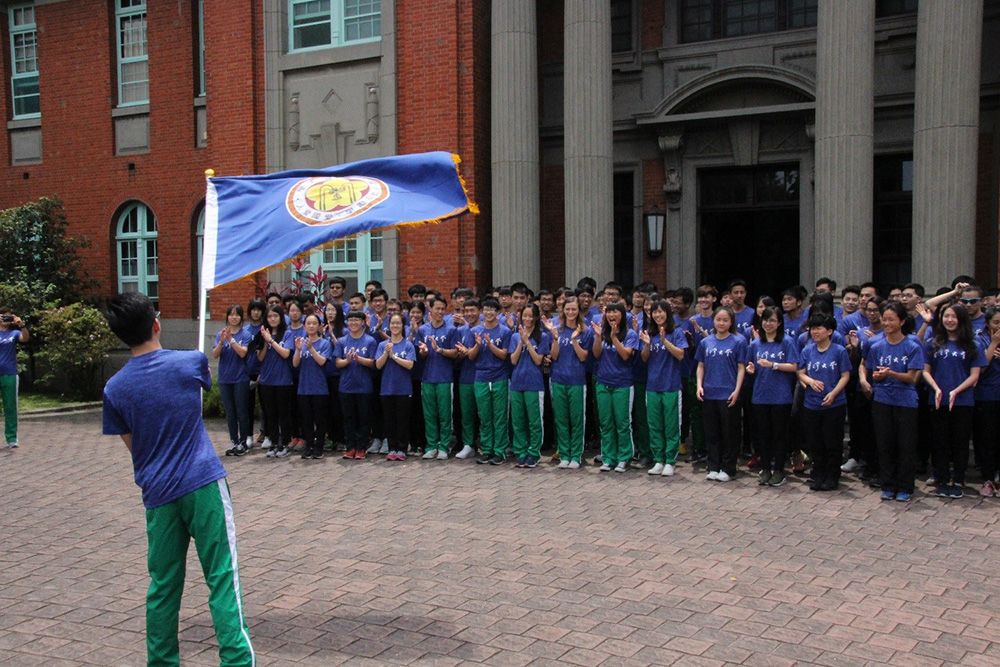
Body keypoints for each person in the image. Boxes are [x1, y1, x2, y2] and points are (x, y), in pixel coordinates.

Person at [101, 292, 255, 667]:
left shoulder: (114, 389)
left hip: (157, 492)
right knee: (222, 577)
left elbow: (134, 446)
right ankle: (236, 660)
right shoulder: (190, 362)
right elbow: (202, 385)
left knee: (163, 586)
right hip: (203, 483)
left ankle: (162, 661)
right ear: (156, 324)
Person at [860, 301, 924, 502]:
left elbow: (912, 377)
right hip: (882, 399)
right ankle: (887, 484)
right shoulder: (876, 346)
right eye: (884, 319)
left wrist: (891, 373)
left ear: (902, 321)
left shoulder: (912, 346)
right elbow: (870, 369)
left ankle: (905, 486)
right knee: (884, 443)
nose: (887, 323)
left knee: (905, 445)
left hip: (906, 401)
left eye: (891, 320)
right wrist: (874, 378)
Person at [922, 304, 985, 498]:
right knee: (939, 441)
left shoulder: (973, 344)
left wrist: (956, 391)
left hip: (963, 401)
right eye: (946, 316)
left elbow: (975, 375)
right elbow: (925, 371)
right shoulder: (933, 343)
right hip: (938, 400)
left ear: (961, 320)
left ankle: (958, 479)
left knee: (960, 441)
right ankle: (941, 479)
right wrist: (936, 388)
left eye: (954, 317)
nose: (949, 320)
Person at [797, 314, 852, 491]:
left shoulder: (839, 351)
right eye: (813, 328)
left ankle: (832, 475)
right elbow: (800, 372)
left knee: (832, 441)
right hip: (811, 403)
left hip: (834, 404)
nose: (815, 332)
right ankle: (818, 473)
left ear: (829, 331)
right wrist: (810, 381)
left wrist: (834, 393)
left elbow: (845, 375)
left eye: (819, 328)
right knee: (815, 441)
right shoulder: (807, 350)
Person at [746, 306, 798, 487]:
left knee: (779, 434)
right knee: (763, 434)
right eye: (766, 320)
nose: (768, 324)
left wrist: (774, 365)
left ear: (779, 323)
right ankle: (766, 468)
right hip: (760, 395)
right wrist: (751, 369)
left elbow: (794, 366)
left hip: (781, 396)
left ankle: (779, 470)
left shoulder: (787, 342)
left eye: (772, 320)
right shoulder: (755, 344)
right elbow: (750, 365)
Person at [695, 306, 748, 482]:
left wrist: (737, 390)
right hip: (709, 393)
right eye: (718, 319)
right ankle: (713, 466)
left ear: (731, 322)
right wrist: (699, 386)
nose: (721, 323)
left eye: (725, 320)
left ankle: (728, 468)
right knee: (712, 432)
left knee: (730, 433)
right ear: (713, 321)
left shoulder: (738, 341)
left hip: (729, 393)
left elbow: (741, 368)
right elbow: (700, 365)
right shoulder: (706, 342)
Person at [640, 300, 687, 477]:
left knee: (671, 425)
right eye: (654, 312)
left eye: (661, 312)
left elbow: (680, 354)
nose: (658, 315)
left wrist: (664, 341)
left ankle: (670, 461)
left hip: (671, 385)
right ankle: (658, 460)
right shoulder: (649, 333)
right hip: (652, 385)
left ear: (667, 313)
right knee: (654, 425)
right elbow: (644, 358)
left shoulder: (676, 332)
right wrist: (647, 344)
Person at [544, 296, 591, 469]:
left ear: (578, 311)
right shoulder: (556, 329)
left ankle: (576, 455)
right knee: (561, 419)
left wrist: (574, 339)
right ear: (562, 310)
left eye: (574, 309)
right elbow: (554, 356)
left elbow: (584, 357)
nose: (570, 312)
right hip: (558, 379)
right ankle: (564, 454)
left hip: (577, 380)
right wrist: (556, 338)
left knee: (577, 419)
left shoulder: (585, 330)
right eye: (567, 309)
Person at [592, 302, 639, 473]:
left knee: (622, 423)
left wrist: (614, 338)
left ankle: (624, 457)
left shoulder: (630, 334)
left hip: (622, 384)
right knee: (606, 423)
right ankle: (608, 457)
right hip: (603, 383)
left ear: (623, 314)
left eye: (615, 312)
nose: (612, 315)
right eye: (609, 312)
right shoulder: (602, 332)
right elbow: (596, 354)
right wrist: (599, 337)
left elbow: (626, 355)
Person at [469, 297, 512, 465]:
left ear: (498, 312)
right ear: (482, 311)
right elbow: (471, 356)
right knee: (484, 416)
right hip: (481, 377)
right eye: (486, 309)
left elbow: (504, 355)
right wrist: (478, 345)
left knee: (499, 416)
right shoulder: (475, 331)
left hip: (499, 377)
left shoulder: (505, 331)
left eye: (492, 309)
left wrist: (490, 344)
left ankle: (499, 451)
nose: (488, 312)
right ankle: (487, 450)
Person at [507, 303, 551, 468]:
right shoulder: (514, 336)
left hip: (534, 383)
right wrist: (521, 341)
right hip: (517, 382)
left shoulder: (543, 336)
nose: (527, 319)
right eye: (524, 315)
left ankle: (534, 453)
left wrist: (528, 342)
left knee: (534, 421)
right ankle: (521, 452)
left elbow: (539, 360)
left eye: (530, 316)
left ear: (536, 317)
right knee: (518, 421)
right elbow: (513, 360)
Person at [417, 296, 459, 459]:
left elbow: (455, 353)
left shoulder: (451, 330)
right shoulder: (423, 330)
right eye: (437, 308)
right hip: (427, 378)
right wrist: (424, 352)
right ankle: (431, 446)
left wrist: (440, 350)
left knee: (445, 414)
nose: (440, 312)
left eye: (443, 309)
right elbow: (420, 353)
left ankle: (444, 446)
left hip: (444, 378)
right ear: (430, 309)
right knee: (429, 414)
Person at [336, 310, 378, 460]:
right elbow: (337, 363)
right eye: (350, 320)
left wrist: (359, 359)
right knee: (348, 418)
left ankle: (361, 448)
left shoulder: (370, 341)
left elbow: (374, 363)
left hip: (364, 386)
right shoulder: (341, 341)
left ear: (363, 322)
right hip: (346, 386)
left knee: (364, 418)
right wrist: (347, 360)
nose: (353, 323)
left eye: (356, 320)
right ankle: (350, 447)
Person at [291, 313, 333, 460]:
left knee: (320, 419)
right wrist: (298, 349)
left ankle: (319, 447)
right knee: (306, 419)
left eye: (314, 323)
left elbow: (322, 362)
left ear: (319, 326)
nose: (311, 326)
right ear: (304, 326)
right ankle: (308, 445)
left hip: (319, 387)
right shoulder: (301, 342)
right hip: (304, 387)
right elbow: (295, 364)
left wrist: (311, 349)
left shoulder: (325, 343)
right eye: (308, 323)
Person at [376, 313, 417, 461]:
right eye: (392, 323)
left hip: (403, 389)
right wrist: (386, 353)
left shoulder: (408, 345)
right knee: (389, 420)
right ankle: (392, 448)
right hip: (387, 388)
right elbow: (378, 365)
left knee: (402, 420)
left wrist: (393, 356)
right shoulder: (383, 345)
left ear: (402, 326)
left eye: (398, 323)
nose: (395, 326)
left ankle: (402, 448)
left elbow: (410, 365)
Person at [213, 305, 252, 457]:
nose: (234, 317)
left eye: (237, 315)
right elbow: (215, 354)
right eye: (231, 315)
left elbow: (243, 353)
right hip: (225, 378)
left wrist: (231, 340)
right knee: (230, 412)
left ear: (241, 317)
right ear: (227, 317)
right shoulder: (220, 334)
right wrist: (222, 342)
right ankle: (234, 441)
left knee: (241, 410)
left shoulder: (245, 334)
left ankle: (243, 442)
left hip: (240, 378)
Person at [256, 305, 295, 458]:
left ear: (281, 318)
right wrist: (265, 341)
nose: (272, 319)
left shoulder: (287, 333)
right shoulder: (262, 334)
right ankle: (273, 442)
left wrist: (271, 340)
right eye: (269, 316)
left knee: (283, 414)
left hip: (283, 380)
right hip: (266, 380)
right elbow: (260, 357)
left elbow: (286, 354)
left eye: (275, 316)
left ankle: (284, 443)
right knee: (270, 414)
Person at [975, 307, 1000, 497]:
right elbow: (980, 368)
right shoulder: (980, 339)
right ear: (987, 324)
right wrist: (994, 344)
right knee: (988, 439)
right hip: (987, 396)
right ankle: (988, 479)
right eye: (996, 323)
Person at [0, 307, 28, 449]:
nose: (6, 319)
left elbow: (25, 338)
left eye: (8, 317)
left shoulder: (14, 333)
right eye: (3, 316)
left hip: (10, 374)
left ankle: (11, 438)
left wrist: (21, 325)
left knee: (10, 406)